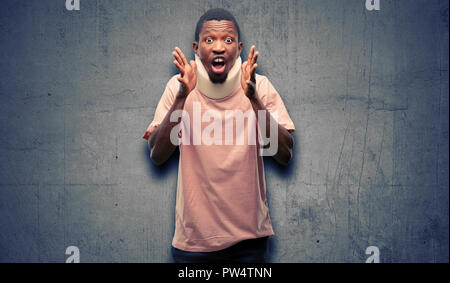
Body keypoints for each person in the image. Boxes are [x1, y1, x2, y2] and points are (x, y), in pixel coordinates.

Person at [143, 8, 295, 263]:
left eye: (228, 39)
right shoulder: (178, 88)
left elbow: (284, 154)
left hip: (249, 241)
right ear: (196, 46)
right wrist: (182, 96)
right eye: (209, 39)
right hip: (193, 243)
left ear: (239, 47)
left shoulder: (260, 86)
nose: (219, 47)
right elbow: (157, 155)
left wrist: (254, 100)